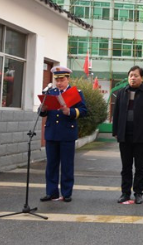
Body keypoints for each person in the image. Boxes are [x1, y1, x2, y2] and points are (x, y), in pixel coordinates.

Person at [40, 66, 87, 203]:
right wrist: (43, 109)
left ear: (68, 79)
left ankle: (66, 193)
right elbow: (42, 113)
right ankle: (51, 192)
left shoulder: (76, 93)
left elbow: (83, 110)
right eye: (57, 80)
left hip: (67, 133)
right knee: (51, 165)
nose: (59, 83)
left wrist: (71, 112)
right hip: (52, 133)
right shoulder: (50, 92)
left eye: (62, 80)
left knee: (67, 165)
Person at [113, 66, 143, 204]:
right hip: (124, 134)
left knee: (140, 166)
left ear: (142, 78)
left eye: (136, 75)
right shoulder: (121, 92)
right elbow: (117, 114)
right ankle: (125, 193)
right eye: (131, 75)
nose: (133, 78)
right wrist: (116, 131)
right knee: (125, 166)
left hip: (141, 134)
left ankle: (138, 193)